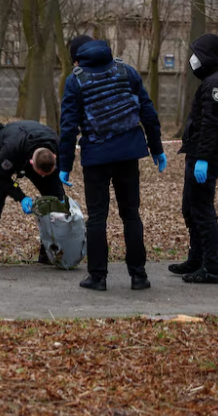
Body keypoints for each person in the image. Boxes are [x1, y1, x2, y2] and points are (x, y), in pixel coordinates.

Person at [59, 35, 165, 292]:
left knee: (97, 218)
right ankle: (139, 276)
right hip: (128, 154)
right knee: (131, 215)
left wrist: (64, 164)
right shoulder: (125, 71)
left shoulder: (76, 80)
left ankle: (98, 277)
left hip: (96, 158)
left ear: (76, 58)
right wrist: (156, 148)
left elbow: (68, 126)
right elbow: (147, 111)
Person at [171, 33, 218, 284]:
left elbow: (211, 125)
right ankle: (196, 258)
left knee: (202, 211)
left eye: (197, 54)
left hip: (205, 157)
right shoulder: (212, 80)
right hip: (199, 153)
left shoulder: (216, 84)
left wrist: (203, 159)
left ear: (208, 55)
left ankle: (211, 267)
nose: (193, 60)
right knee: (190, 208)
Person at [0, 120, 64, 268]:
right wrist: (21, 197)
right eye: (39, 174)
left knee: (56, 199)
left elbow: (56, 178)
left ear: (54, 158)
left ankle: (47, 251)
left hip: (33, 152)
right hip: (4, 153)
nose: (42, 177)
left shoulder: (57, 146)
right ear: (31, 163)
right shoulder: (11, 149)